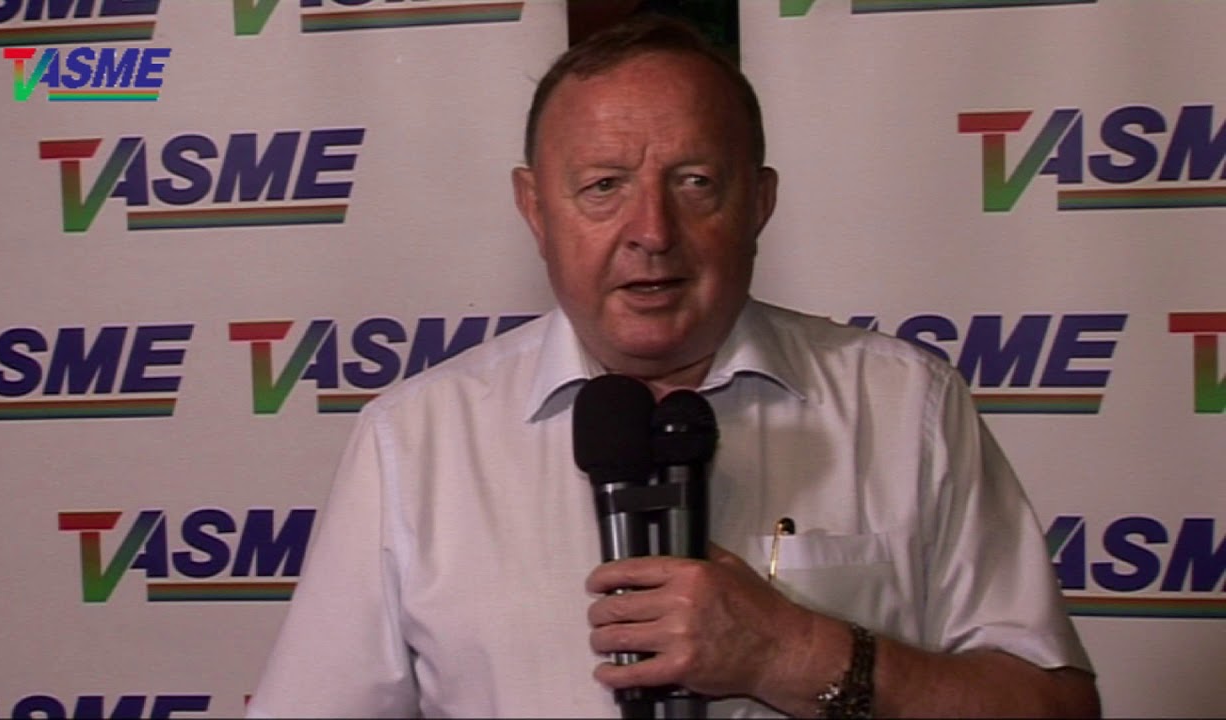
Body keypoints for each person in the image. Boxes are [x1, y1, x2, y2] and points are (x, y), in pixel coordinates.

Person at [247, 14, 1099, 719]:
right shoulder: (414, 442)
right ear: (534, 208)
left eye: (695, 182)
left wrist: (792, 652)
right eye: (603, 186)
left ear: (760, 201)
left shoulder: (905, 406)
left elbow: (1054, 708)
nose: (651, 231)